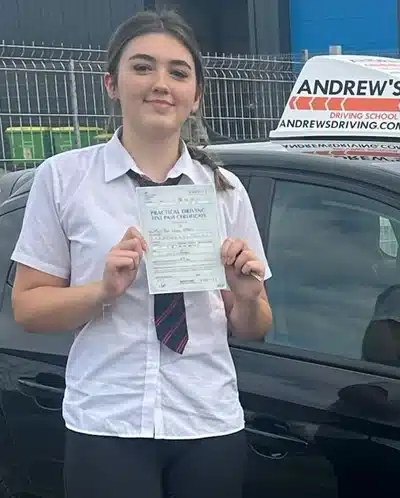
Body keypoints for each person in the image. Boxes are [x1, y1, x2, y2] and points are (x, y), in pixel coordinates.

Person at [10, 9, 273, 498]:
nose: (161, 84)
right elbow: (27, 307)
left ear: (196, 96)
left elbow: (253, 326)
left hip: (207, 421)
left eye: (178, 72)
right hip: (108, 422)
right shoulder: (64, 179)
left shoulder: (224, 190)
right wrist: (101, 291)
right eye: (143, 67)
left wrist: (248, 295)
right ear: (112, 83)